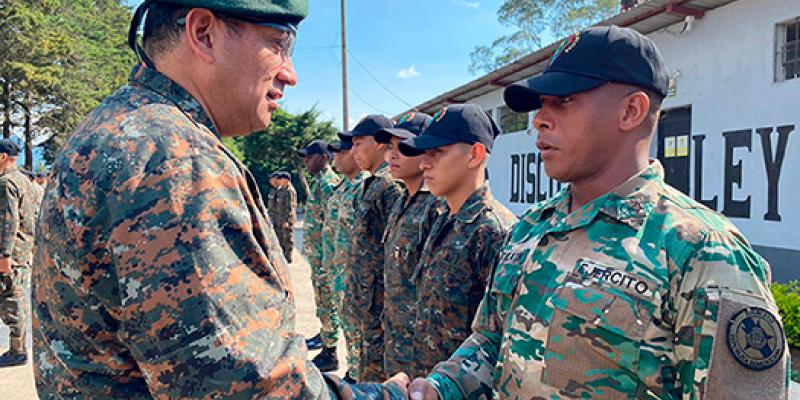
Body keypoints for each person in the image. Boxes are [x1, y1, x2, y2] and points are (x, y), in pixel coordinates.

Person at [32, 1, 407, 397]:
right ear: (203, 34)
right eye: (279, 44)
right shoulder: (172, 158)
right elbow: (241, 386)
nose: (291, 74)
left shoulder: (126, 128)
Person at [410, 26, 789, 400]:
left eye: (563, 101)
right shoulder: (530, 229)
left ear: (631, 111)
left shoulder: (703, 251)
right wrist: (439, 388)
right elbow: (493, 341)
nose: (539, 119)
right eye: (541, 104)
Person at [397, 104, 516, 378]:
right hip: (427, 382)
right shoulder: (444, 217)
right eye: (424, 153)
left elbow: (498, 339)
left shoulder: (494, 231)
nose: (424, 163)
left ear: (475, 155)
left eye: (437, 153)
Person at [373, 112, 443, 377]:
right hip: (395, 340)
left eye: (403, 146)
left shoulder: (436, 208)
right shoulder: (402, 201)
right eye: (390, 147)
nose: (392, 155)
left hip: (422, 352)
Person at [342, 115, 403, 381]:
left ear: (380, 143)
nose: (353, 150)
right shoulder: (372, 184)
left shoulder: (390, 187)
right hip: (367, 302)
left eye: (358, 142)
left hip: (380, 307)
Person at [322, 136, 367, 382]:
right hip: (338, 271)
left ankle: (358, 373)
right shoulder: (344, 187)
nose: (336, 158)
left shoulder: (364, 188)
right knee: (349, 328)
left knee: (356, 329)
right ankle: (353, 368)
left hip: (353, 276)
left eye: (341, 153)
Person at [298, 140, 343, 363]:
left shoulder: (328, 184)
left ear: (325, 158)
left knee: (327, 302)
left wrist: (329, 260)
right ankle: (326, 336)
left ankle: (330, 350)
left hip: (327, 259)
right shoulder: (318, 183)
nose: (306, 161)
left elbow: (334, 225)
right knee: (323, 302)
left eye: (310, 156)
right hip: (319, 257)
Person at [0, 140, 36, 367]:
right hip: (22, 248)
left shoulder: (5, 183)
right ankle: (18, 348)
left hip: (10, 252)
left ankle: (17, 351)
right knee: (17, 297)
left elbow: (9, 221)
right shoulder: (23, 180)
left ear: (3, 157)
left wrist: (4, 255)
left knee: (13, 299)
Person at [271, 171, 297, 262]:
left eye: (281, 179)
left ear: (286, 180)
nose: (280, 181)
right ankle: (283, 256)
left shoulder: (289, 191)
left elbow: (290, 207)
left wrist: (287, 220)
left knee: (287, 238)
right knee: (281, 237)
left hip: (286, 219)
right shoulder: (282, 190)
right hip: (279, 218)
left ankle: (288, 257)